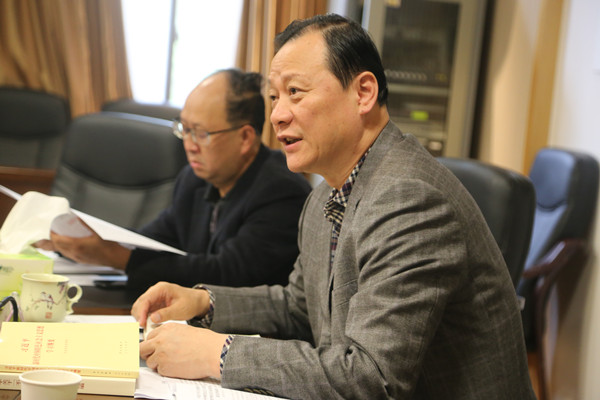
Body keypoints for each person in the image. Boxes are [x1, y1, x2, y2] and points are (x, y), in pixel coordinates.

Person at [132, 15, 536, 399]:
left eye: (295, 92)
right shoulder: (326, 194)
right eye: (274, 97)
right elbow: (298, 307)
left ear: (364, 93)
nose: (277, 115)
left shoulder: (409, 199)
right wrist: (204, 303)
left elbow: (372, 378)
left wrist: (218, 354)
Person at [43, 69, 312, 291]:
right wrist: (80, 241)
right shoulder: (194, 180)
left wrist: (116, 257)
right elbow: (152, 240)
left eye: (201, 134)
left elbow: (228, 275)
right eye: (185, 129)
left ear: (245, 138)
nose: (189, 145)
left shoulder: (282, 191)